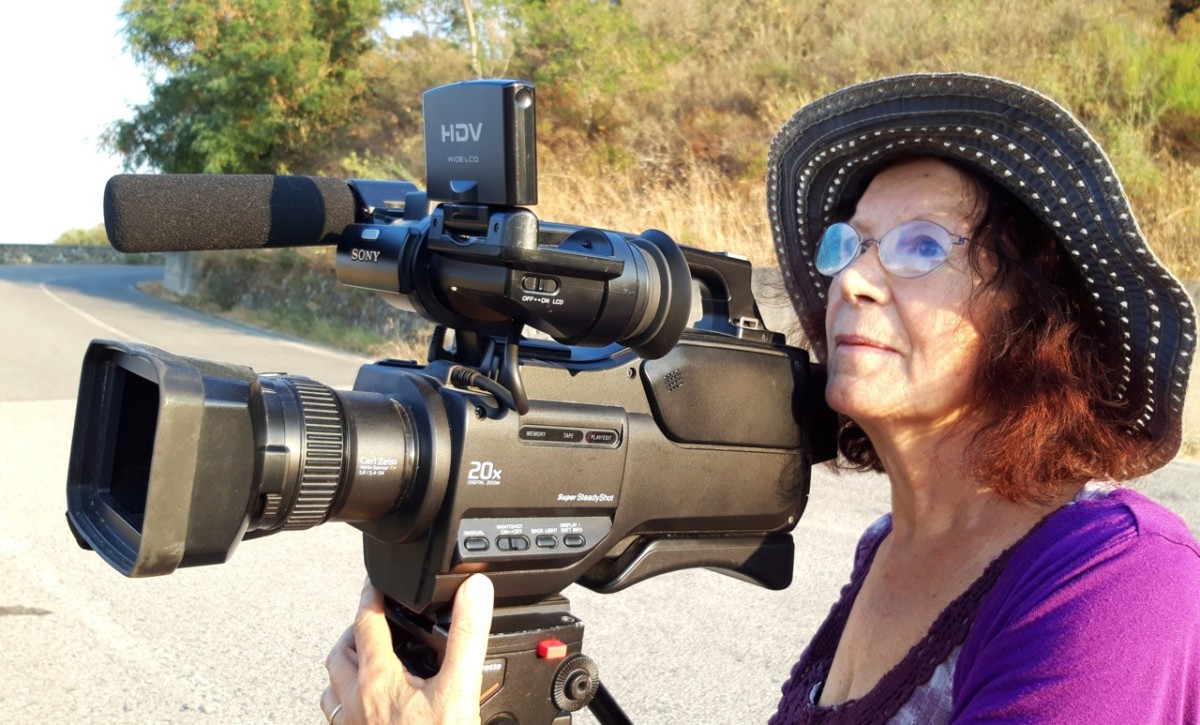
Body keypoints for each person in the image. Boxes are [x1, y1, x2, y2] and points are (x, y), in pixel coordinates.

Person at [320, 73, 1200, 723]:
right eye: (847, 244)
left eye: (922, 246)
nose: (852, 279)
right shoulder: (887, 548)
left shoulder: (1122, 579)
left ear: (1033, 318)